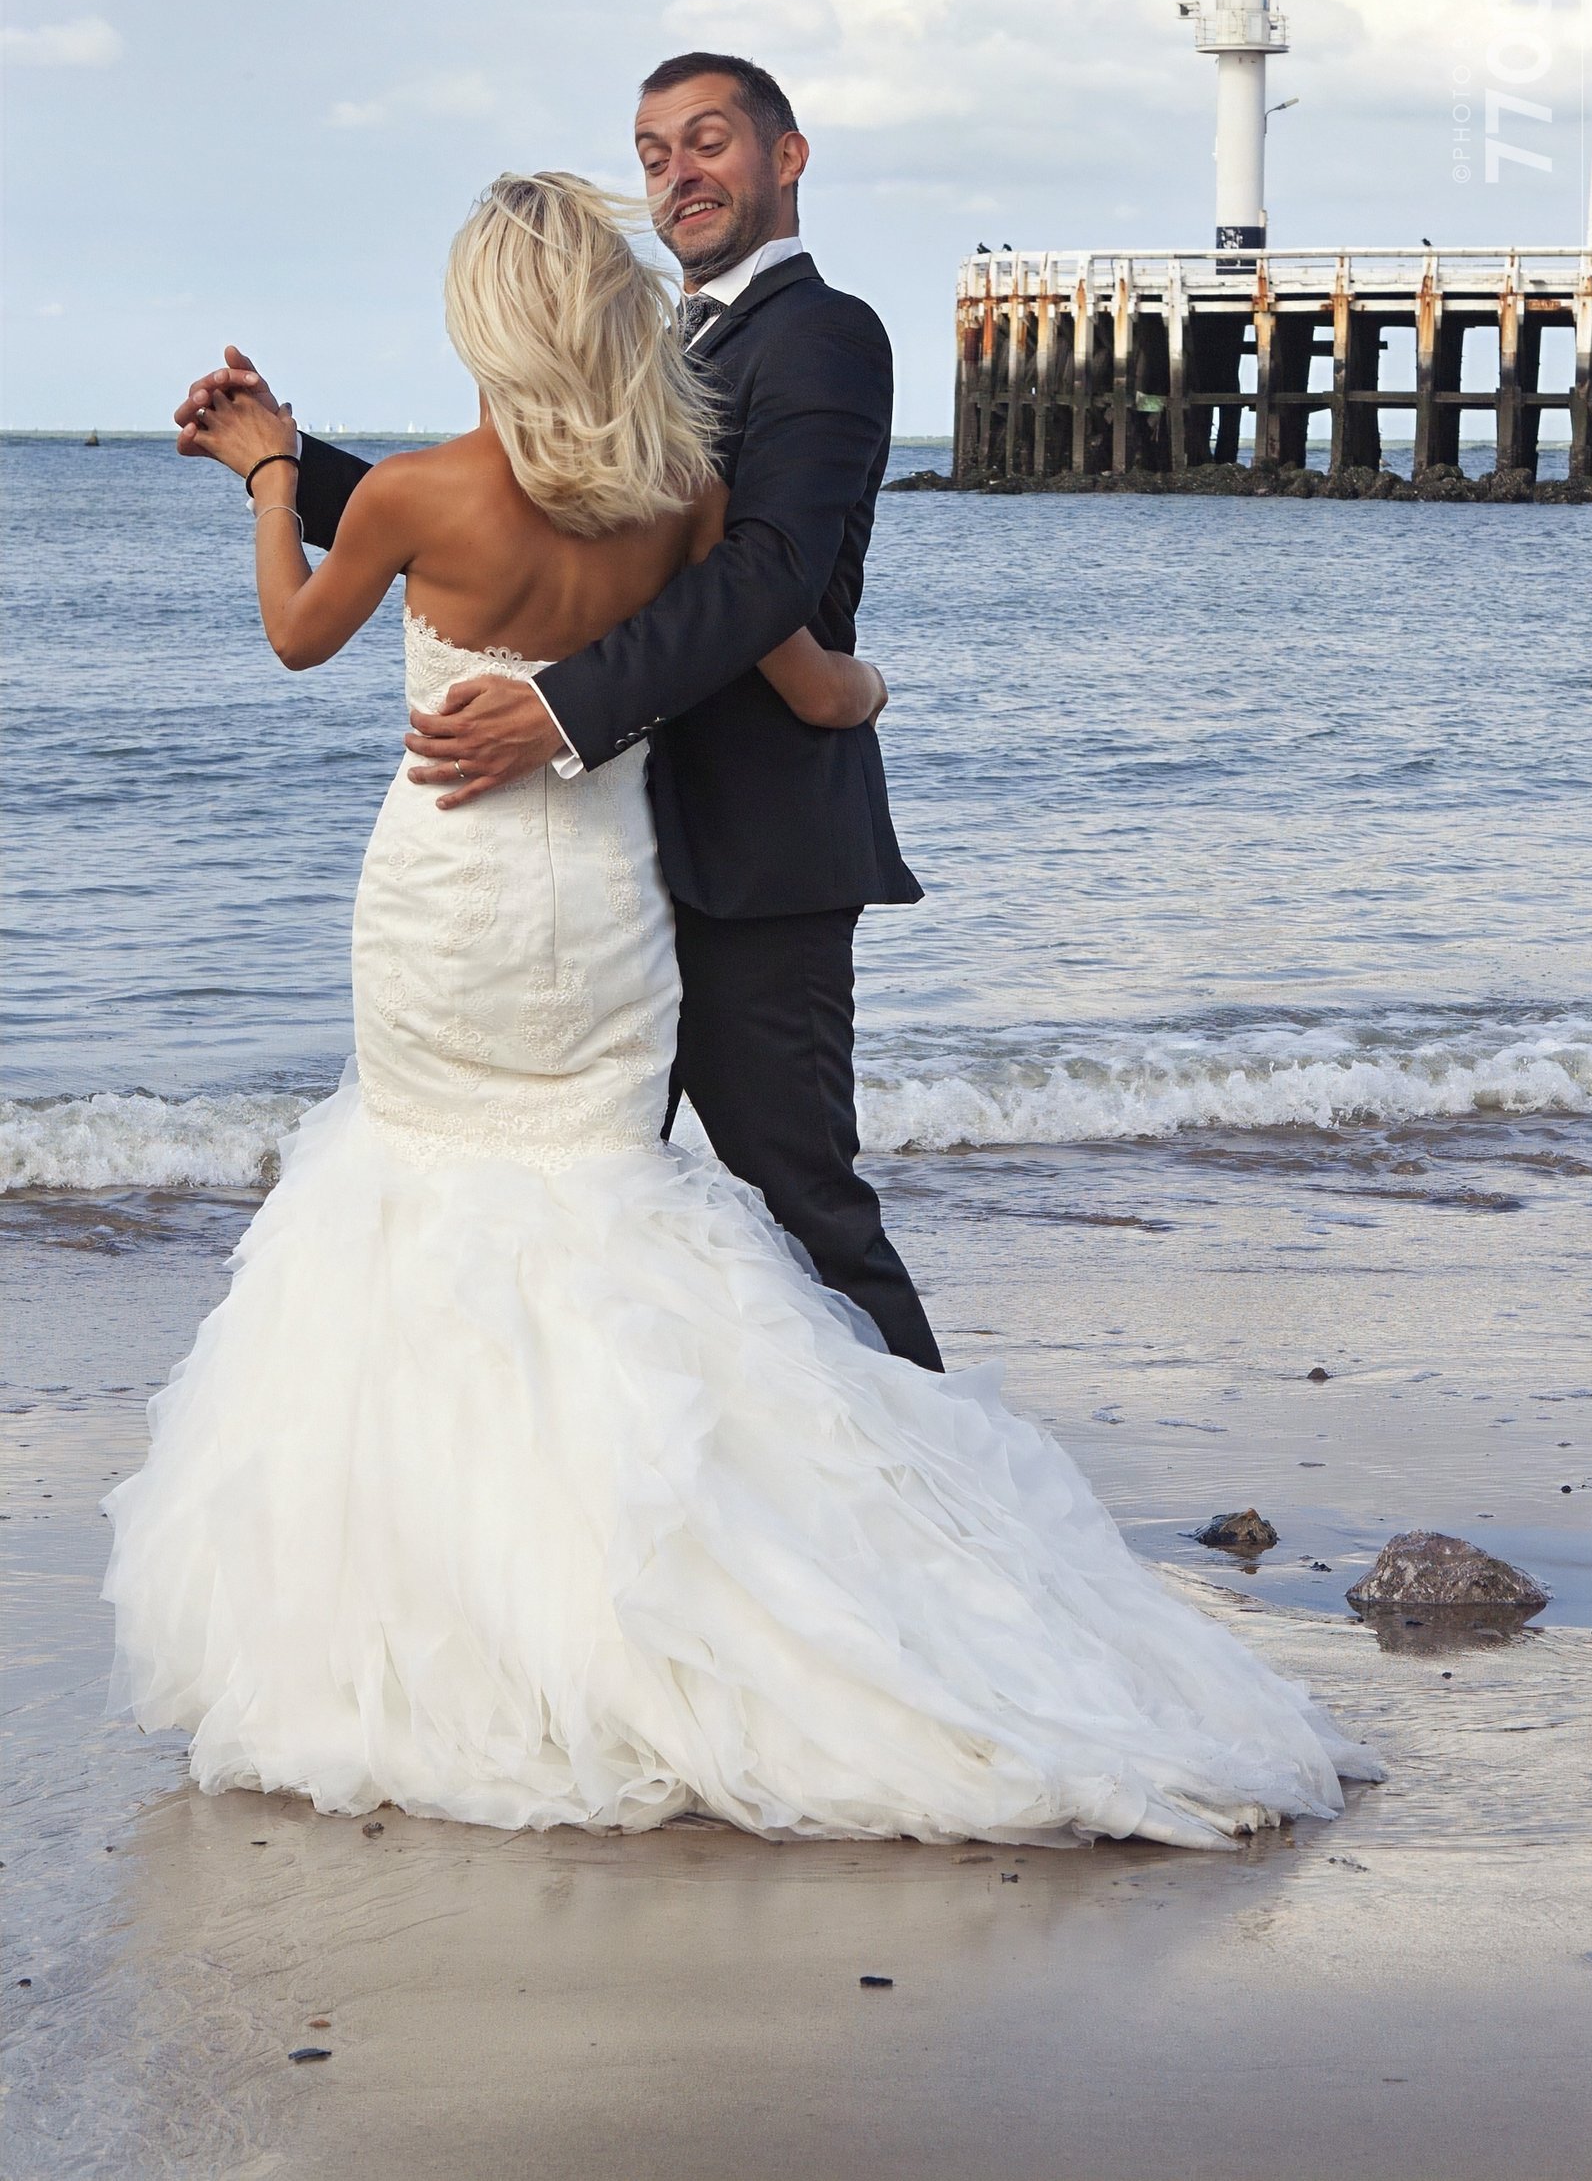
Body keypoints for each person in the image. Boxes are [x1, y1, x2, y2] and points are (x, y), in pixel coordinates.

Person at [107, 170, 1381, 1848]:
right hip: (607, 908)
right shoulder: (682, 503)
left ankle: (475, 1603)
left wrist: (272, 472)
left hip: (448, 911)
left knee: (426, 1207)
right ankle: (757, 1562)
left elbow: (294, 633)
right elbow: (800, 660)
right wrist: (865, 691)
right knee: (599, 1209)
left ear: (483, 326)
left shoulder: (415, 494)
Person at [175, 54, 942, 1373]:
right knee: (591, 1232)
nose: (678, 174)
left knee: (800, 1206)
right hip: (606, 879)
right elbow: (509, 511)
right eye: (651, 153)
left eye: (708, 142)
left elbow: (767, 574)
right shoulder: (654, 348)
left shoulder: (825, 335)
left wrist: (558, 711)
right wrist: (287, 467)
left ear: (788, 157)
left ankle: (945, 1525)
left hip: (751, 852)